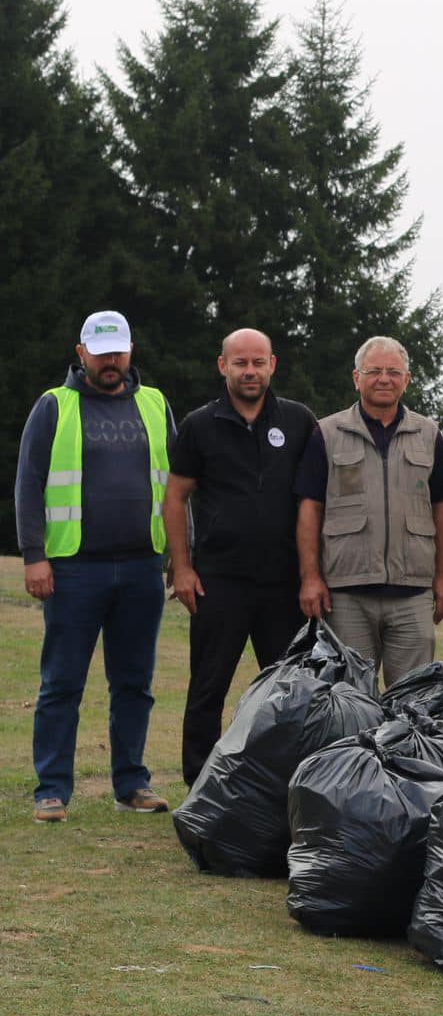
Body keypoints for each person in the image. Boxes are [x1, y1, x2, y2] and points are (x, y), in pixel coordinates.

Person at [14, 311, 177, 823]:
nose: (112, 361)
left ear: (130, 353)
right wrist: (34, 556)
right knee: (62, 682)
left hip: (141, 568)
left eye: (120, 351)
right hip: (72, 570)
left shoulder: (154, 403)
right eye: (102, 351)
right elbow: (28, 484)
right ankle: (52, 789)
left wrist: (181, 556)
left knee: (135, 682)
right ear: (81, 351)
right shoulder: (53, 406)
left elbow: (179, 487)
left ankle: (131, 783)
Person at [163, 328, 317, 785]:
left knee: (289, 694)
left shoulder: (299, 421)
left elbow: (313, 503)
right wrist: (184, 568)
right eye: (240, 363)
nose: (249, 371)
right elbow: (175, 499)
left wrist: (311, 574)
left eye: (257, 362)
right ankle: (199, 788)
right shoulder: (199, 424)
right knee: (207, 690)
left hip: (283, 584)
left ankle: (286, 789)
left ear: (273, 364)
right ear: (222, 366)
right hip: (219, 581)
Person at [295, 335, 443, 690]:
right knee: (349, 700)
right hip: (346, 594)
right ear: (356, 378)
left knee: (412, 702)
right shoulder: (327, 433)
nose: (385, 379)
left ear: (407, 380)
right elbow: (310, 508)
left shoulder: (429, 435)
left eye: (394, 372)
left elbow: (442, 509)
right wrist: (310, 577)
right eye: (375, 371)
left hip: (412, 594)